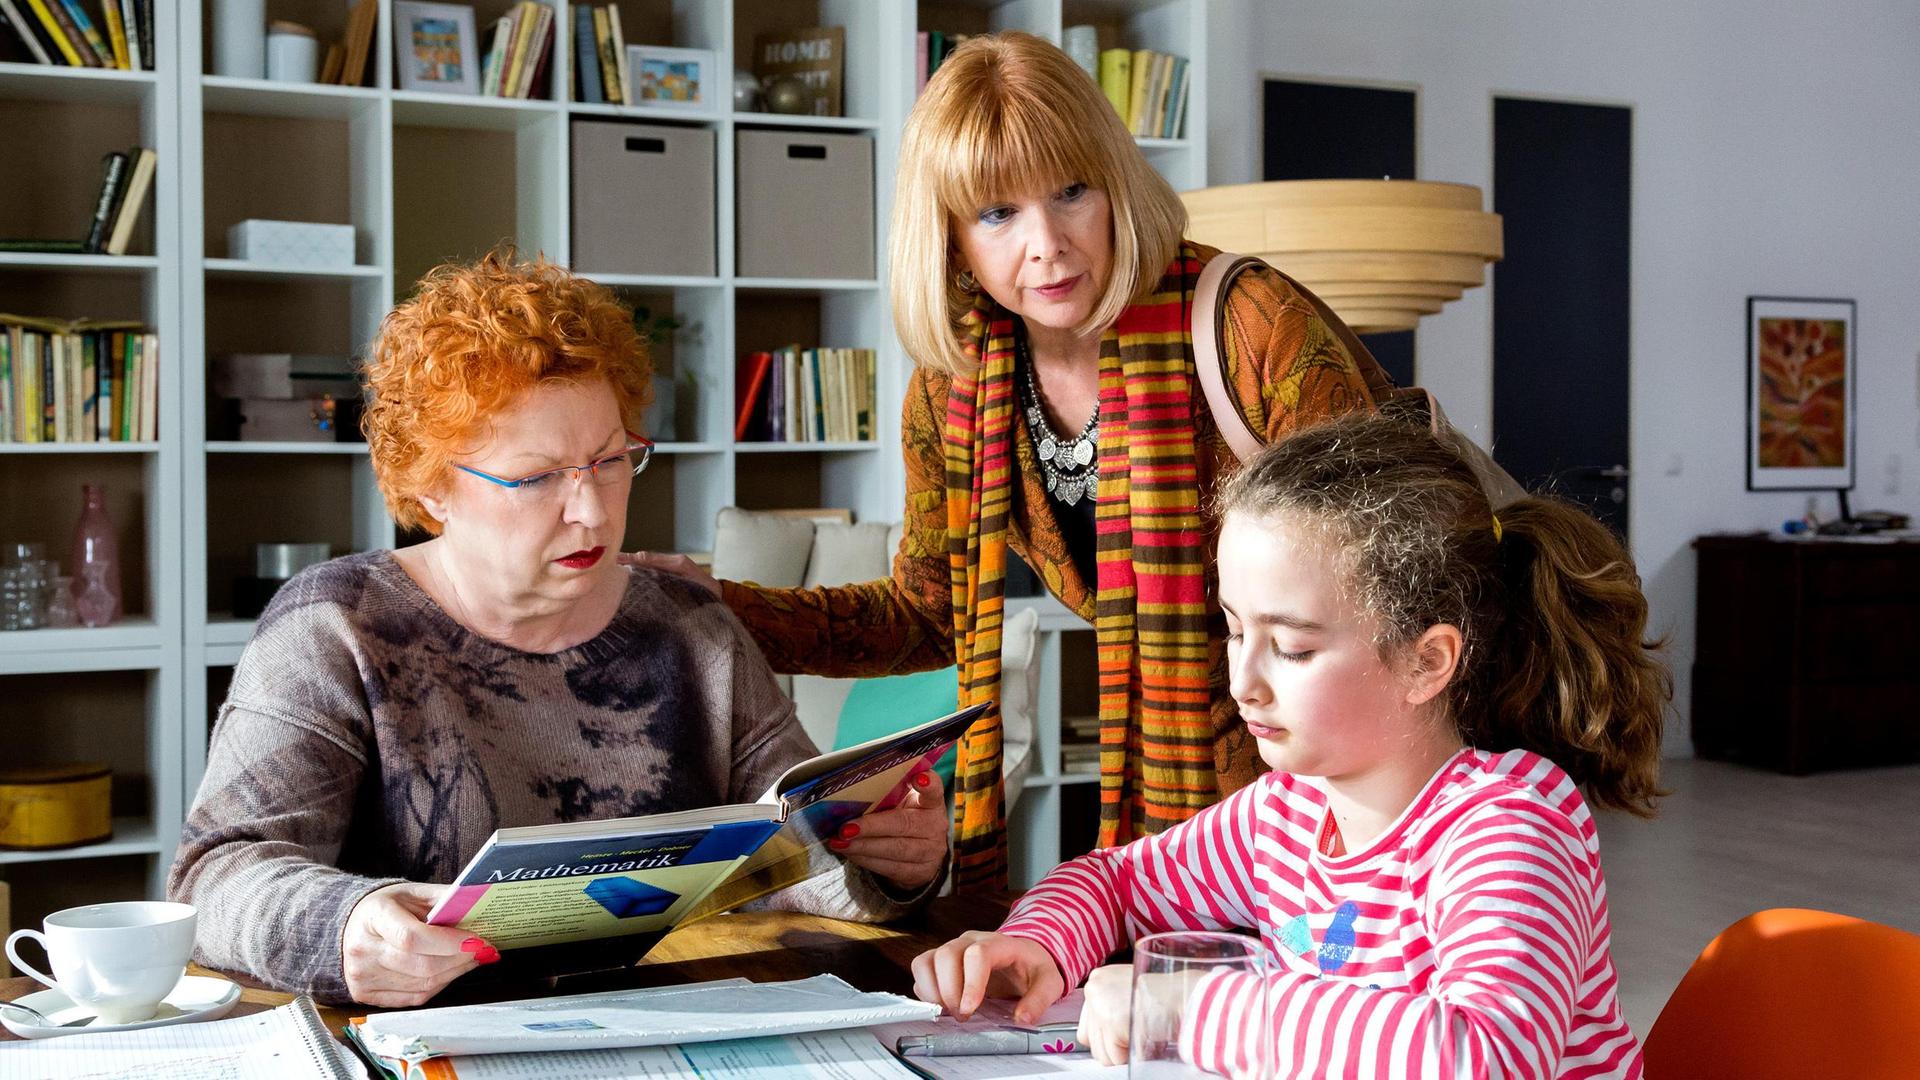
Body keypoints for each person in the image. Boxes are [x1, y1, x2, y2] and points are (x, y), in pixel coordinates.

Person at [630, 31, 1393, 887]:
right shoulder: (954, 388)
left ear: (1116, 183)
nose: (1048, 244)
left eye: (1072, 191)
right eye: (998, 213)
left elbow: (1393, 583)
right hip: (1177, 827)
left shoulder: (1250, 324)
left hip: (1358, 792)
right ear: (951, 236)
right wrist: (720, 607)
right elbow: (928, 613)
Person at [167, 254, 949, 1008]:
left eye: (610, 461)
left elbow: (792, 849)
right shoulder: (337, 628)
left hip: (662, 1026)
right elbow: (216, 877)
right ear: (432, 484)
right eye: (537, 477)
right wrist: (344, 926)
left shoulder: (689, 627)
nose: (592, 510)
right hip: (418, 1043)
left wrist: (891, 858)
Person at [909, 412, 1670, 1078]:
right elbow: (1115, 883)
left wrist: (1188, 1006)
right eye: (1237, 630)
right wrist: (1039, 944)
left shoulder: (1509, 822)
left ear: (1424, 662)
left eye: (1294, 649)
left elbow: (1482, 1057)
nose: (1243, 681)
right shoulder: (1285, 815)